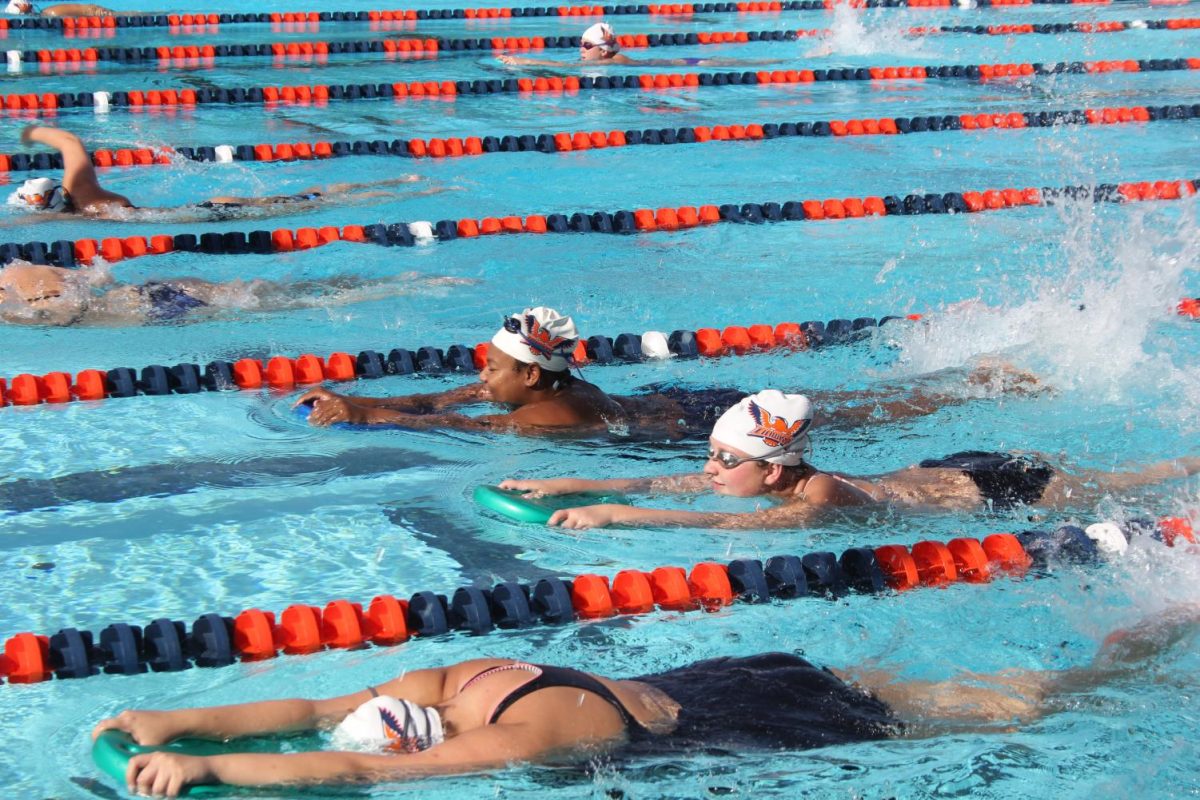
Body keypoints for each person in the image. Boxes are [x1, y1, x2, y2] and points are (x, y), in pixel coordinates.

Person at [90, 605, 1200, 795]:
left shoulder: (520, 736)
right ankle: (1151, 625)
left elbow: (356, 763)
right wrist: (169, 717)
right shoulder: (448, 678)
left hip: (755, 717)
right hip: (726, 673)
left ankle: (1136, 648)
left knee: (1017, 710)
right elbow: (309, 704)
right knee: (961, 689)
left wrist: (208, 766)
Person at [499, 389, 1200, 529]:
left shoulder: (821, 495)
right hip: (943, 465)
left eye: (721, 461)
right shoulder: (783, 479)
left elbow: (729, 527)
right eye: (710, 457)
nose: (708, 472)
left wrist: (620, 516)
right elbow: (670, 478)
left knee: (1136, 491)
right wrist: (570, 480)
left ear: (773, 470)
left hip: (996, 488)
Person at [293, 306, 1032, 436]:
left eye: (491, 367)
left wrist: (371, 418)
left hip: (688, 426)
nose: (478, 375)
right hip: (675, 401)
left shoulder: (548, 419)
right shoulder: (532, 386)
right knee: (833, 402)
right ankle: (962, 380)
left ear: (533, 378)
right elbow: (448, 397)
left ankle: (973, 387)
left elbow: (461, 426)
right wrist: (363, 401)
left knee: (846, 413)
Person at [6, 126, 446, 223]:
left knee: (318, 201)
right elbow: (70, 143)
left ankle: (395, 186)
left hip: (205, 214)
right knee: (311, 196)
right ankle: (396, 183)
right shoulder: (83, 189)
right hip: (204, 206)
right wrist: (31, 130)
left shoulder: (85, 208)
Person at [0, 259, 475, 326]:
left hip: (160, 304)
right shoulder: (24, 268)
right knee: (294, 292)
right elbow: (97, 277)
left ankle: (423, 284)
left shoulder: (11, 289)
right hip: (157, 290)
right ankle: (410, 279)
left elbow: (68, 310)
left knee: (300, 300)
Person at [496, 22, 781, 68]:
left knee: (747, 65)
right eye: (580, 44)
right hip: (682, 63)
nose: (580, 49)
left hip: (687, 65)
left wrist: (525, 61)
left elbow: (565, 68)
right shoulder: (609, 59)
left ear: (603, 50)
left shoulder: (610, 62)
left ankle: (776, 62)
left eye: (585, 45)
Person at [5, 0, 143, 17]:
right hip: (94, 10)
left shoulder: (49, 13)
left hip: (96, 12)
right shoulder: (49, 11)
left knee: (122, 15)